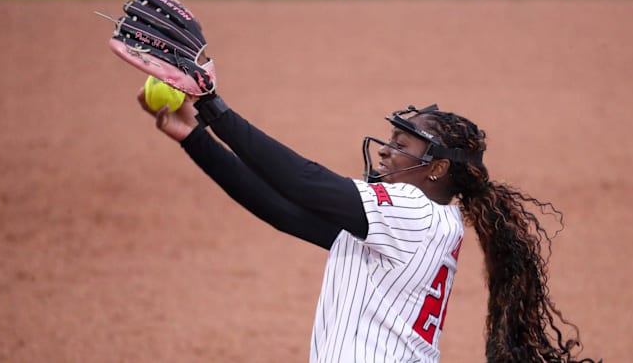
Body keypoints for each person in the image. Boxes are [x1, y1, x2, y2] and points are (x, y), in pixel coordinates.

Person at [136, 91, 598, 363]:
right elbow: (282, 208)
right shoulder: (428, 220)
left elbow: (300, 181)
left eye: (401, 144)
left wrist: (214, 103)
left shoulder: (409, 210)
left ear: (436, 168)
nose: (385, 151)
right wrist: (194, 136)